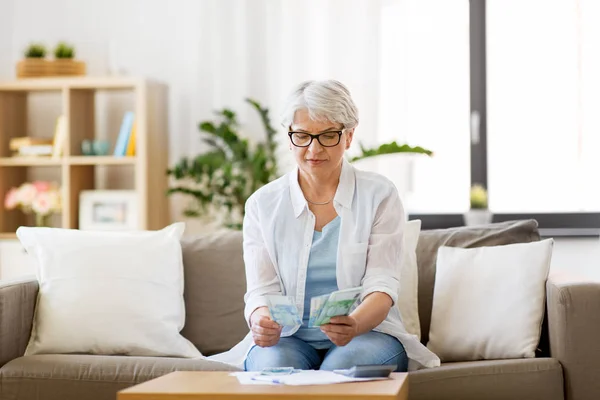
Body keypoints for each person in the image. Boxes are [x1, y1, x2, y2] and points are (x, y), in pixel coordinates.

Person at [231, 80, 440, 372]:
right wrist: (260, 319)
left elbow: (382, 286)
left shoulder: (379, 194)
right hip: (288, 339)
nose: (313, 149)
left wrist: (354, 324)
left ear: (349, 136)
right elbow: (260, 291)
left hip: (366, 334)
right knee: (275, 368)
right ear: (290, 135)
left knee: (340, 371)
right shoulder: (262, 205)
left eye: (328, 135)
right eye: (302, 136)